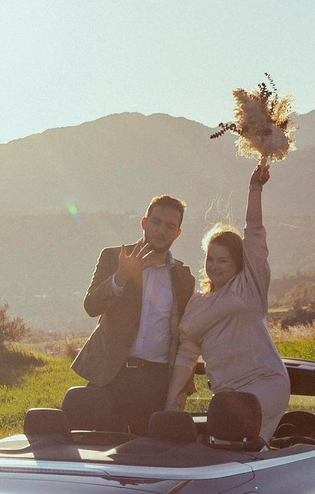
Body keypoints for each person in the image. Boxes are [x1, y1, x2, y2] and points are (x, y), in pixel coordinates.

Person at [167, 160, 288, 438]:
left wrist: (254, 188)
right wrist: (170, 401)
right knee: (229, 447)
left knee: (239, 442)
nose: (215, 265)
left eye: (223, 260)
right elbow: (186, 355)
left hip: (264, 384)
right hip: (226, 395)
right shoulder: (197, 303)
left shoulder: (249, 287)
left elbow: (254, 230)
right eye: (210, 259)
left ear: (237, 263)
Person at [72, 194, 195, 432]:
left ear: (178, 233)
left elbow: (185, 338)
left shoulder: (183, 277)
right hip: (111, 375)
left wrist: (183, 389)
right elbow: (91, 306)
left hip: (155, 381)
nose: (161, 230)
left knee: (147, 454)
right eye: (156, 222)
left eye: (170, 226)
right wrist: (121, 276)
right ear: (144, 223)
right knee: (97, 451)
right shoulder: (114, 257)